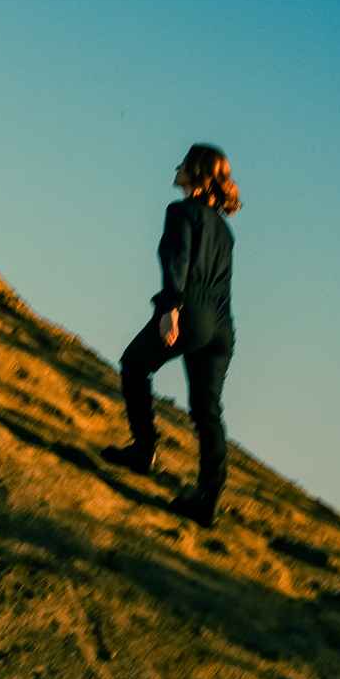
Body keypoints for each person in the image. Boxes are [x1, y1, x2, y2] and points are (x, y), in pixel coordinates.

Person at [102, 144, 239, 528]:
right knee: (207, 411)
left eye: (182, 163)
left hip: (190, 311)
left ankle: (143, 451)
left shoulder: (180, 212)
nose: (176, 167)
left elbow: (177, 260)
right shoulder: (224, 230)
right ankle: (208, 497)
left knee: (133, 366)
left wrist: (170, 309)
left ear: (195, 172)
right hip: (221, 323)